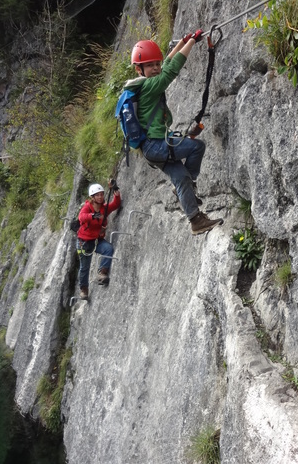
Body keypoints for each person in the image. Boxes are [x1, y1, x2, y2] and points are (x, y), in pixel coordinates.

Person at [126, 34, 223, 235]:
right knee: (197, 147)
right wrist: (191, 43)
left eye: (156, 64)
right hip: (156, 146)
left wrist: (181, 42)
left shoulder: (144, 84)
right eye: (149, 65)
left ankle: (196, 221)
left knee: (180, 178)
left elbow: (165, 65)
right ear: (139, 69)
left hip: (152, 149)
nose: (155, 68)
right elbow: (170, 71)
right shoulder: (148, 86)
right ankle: (190, 183)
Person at [76, 180, 121, 299]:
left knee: (108, 249)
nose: (100, 197)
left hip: (97, 241)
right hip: (84, 242)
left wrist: (116, 191)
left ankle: (102, 273)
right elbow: (81, 217)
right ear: (92, 197)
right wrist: (92, 216)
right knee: (84, 267)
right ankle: (84, 289)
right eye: (97, 195)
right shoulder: (88, 207)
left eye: (101, 194)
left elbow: (115, 204)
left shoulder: (104, 209)